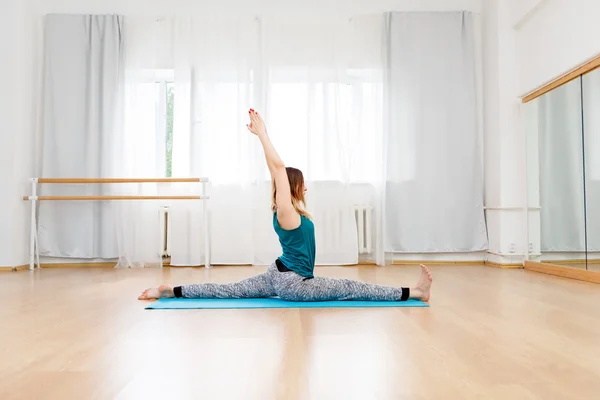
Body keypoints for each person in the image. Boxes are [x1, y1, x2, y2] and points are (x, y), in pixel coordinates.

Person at [138, 109, 432, 302]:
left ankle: (169, 290)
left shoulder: (288, 210)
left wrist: (263, 140)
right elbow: (278, 169)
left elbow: (274, 169)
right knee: (354, 288)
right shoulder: (286, 212)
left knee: (230, 290)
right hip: (295, 284)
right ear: (292, 186)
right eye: (302, 182)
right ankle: (415, 292)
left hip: (274, 275)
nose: (306, 187)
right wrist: (263, 135)